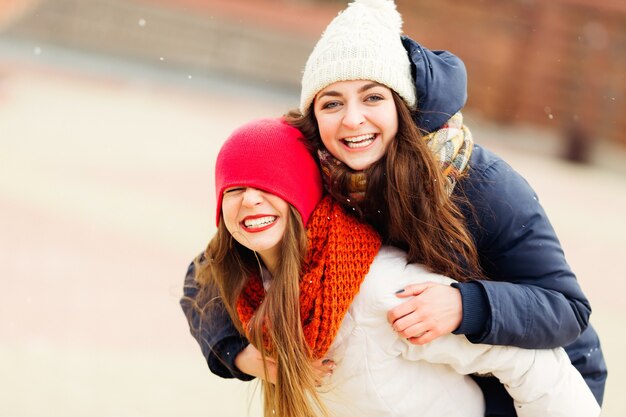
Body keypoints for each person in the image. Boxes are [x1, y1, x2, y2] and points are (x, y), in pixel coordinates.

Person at [182, 1, 607, 415]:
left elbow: (567, 309)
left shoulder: (481, 184)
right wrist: (243, 356)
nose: (352, 120)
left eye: (372, 98)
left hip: (547, 379)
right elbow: (212, 269)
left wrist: (466, 305)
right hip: (436, 372)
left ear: (402, 107)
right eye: (332, 102)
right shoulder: (321, 168)